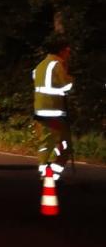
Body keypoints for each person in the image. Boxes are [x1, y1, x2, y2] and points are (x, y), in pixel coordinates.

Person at [33, 36, 72, 189]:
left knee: (45, 142)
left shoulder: (41, 65)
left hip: (40, 109)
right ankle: (52, 174)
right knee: (62, 143)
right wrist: (71, 78)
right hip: (54, 110)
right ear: (62, 50)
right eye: (68, 50)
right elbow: (65, 86)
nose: (69, 53)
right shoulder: (57, 64)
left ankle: (44, 173)